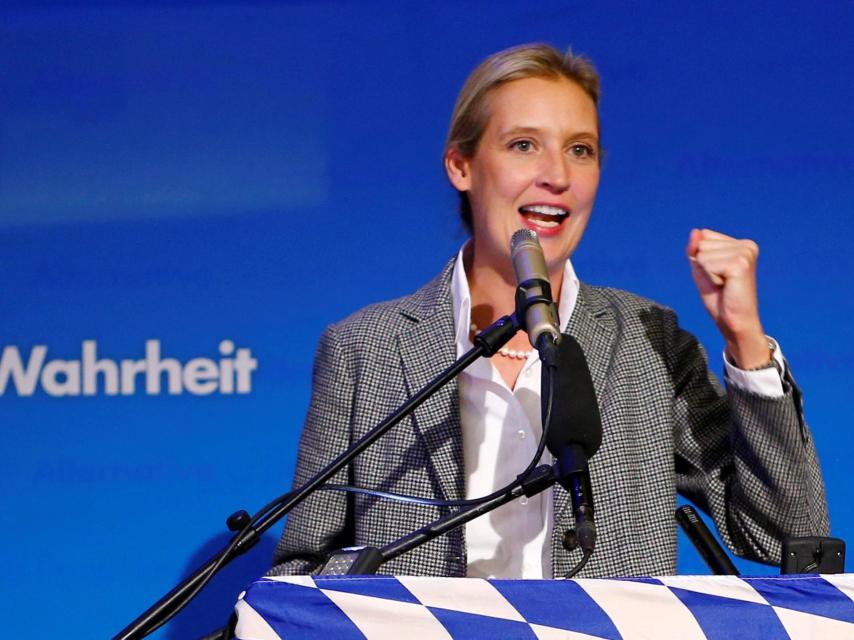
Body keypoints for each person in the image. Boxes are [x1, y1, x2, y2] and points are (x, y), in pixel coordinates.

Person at [270, 43, 828, 579]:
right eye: (523, 145)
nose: (557, 175)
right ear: (461, 166)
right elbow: (302, 570)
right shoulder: (365, 348)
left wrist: (746, 341)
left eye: (580, 149)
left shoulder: (650, 340)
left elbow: (786, 533)